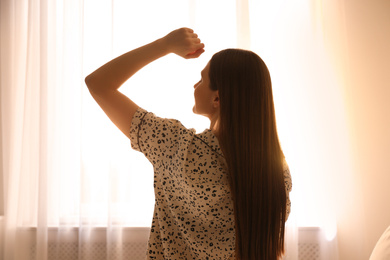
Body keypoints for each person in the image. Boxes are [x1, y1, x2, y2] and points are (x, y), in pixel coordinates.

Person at [85, 27, 292, 260]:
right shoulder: (278, 174)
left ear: (217, 98)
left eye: (202, 79)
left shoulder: (175, 146)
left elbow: (98, 83)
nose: (196, 85)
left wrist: (164, 45)